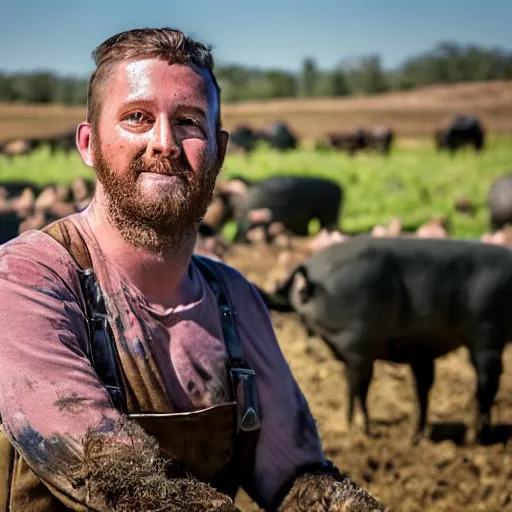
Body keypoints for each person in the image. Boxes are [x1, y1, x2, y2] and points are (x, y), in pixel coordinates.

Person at [0, 28, 384, 511]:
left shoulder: (236, 301)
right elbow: (103, 471)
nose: (165, 142)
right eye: (136, 118)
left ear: (219, 151)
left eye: (188, 122)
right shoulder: (27, 280)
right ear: (89, 143)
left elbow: (297, 477)